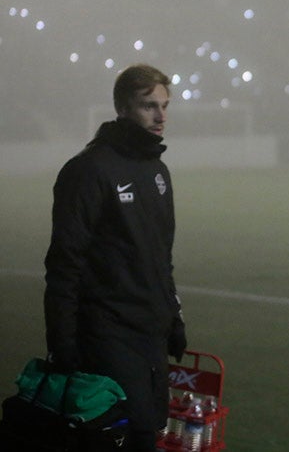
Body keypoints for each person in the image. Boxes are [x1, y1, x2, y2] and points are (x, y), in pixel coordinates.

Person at [44, 63, 187, 452]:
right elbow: (64, 264)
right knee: (126, 436)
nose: (161, 116)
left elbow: (161, 257)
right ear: (123, 108)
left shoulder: (158, 170)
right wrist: (62, 339)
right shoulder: (88, 170)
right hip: (108, 333)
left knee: (153, 428)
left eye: (165, 105)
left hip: (151, 332)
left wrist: (173, 316)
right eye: (148, 106)